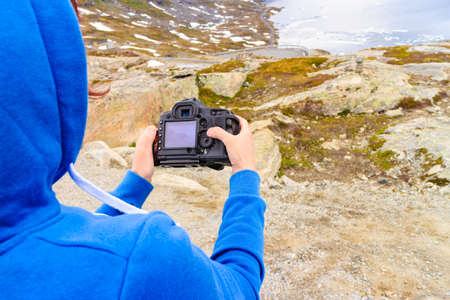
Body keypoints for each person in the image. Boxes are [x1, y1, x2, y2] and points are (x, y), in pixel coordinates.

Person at [0, 1, 266, 299]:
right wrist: (245, 175)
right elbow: (241, 285)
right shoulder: (145, 256)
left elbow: (64, 246)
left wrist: (138, 179)